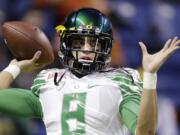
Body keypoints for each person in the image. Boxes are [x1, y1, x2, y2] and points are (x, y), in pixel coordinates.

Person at [0, 8, 180, 135]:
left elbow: (145, 132)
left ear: (107, 47)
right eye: (79, 42)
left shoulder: (121, 80)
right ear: (66, 44)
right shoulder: (48, 80)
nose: (87, 49)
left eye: (95, 43)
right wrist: (15, 67)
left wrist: (149, 76)